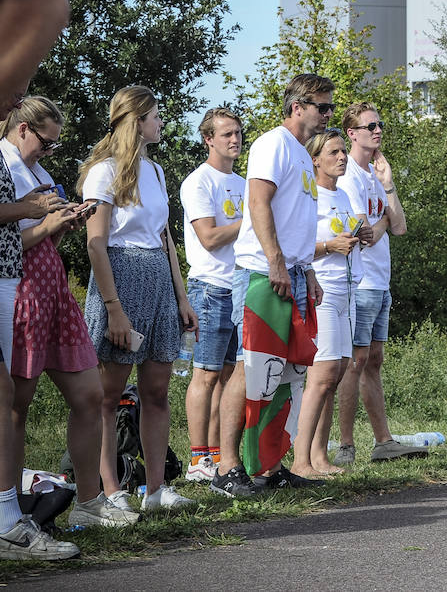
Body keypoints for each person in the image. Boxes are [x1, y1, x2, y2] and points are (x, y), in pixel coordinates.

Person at [0, 99, 132, 529]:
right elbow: (6, 246)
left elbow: (37, 234)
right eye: (46, 143)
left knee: (90, 395)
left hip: (52, 287)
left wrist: (64, 222)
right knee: (16, 404)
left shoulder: (38, 172)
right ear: (21, 129)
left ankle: (90, 503)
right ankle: (10, 508)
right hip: (19, 288)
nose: (50, 152)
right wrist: (48, 224)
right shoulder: (2, 163)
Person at [0, 0, 78, 561]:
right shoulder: (7, 158)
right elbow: (44, 1)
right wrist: (34, 215)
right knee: (5, 397)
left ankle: (6, 514)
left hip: (29, 281)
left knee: (9, 395)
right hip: (7, 280)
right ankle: (4, 517)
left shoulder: (23, 165)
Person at [79, 86, 198, 513]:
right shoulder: (103, 171)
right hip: (121, 281)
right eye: (156, 116)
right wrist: (114, 308)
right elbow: (96, 243)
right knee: (108, 395)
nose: (162, 123)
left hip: (159, 283)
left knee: (156, 390)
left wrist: (181, 296)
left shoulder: (158, 171)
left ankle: (155, 491)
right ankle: (111, 491)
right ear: (137, 119)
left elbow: (165, 237)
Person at [212, 74, 330, 497]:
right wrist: (277, 261)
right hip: (263, 273)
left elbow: (296, 219)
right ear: (297, 106)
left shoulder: (300, 152)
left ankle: (268, 466)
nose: (328, 114)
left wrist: (306, 270)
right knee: (251, 368)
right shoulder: (272, 144)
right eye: (322, 106)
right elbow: (258, 203)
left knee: (284, 375)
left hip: (293, 273)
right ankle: (226, 468)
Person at [332, 103, 421, 465]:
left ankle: (383, 441)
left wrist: (388, 185)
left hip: (380, 280)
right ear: (352, 132)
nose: (377, 130)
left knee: (374, 360)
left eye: (379, 124)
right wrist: (382, 219)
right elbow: (363, 233)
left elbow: (398, 225)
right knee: (355, 361)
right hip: (361, 279)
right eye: (369, 126)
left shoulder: (375, 173)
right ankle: (345, 445)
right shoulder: (349, 173)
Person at [179, 108, 245, 484]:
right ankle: (197, 458)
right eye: (226, 134)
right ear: (208, 139)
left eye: (237, 133)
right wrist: (251, 218)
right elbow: (209, 236)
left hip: (239, 286)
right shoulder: (199, 181)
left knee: (230, 374)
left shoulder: (242, 180)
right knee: (204, 375)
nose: (234, 140)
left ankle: (220, 455)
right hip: (209, 287)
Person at [293, 128, 362, 478]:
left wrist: (357, 237)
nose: (342, 157)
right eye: (334, 152)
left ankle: (319, 457)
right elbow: (297, 245)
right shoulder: (310, 196)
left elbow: (345, 239)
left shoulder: (345, 196)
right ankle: (300, 461)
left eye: (343, 152)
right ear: (315, 159)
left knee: (335, 374)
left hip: (348, 289)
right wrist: (329, 246)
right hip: (322, 291)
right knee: (320, 376)